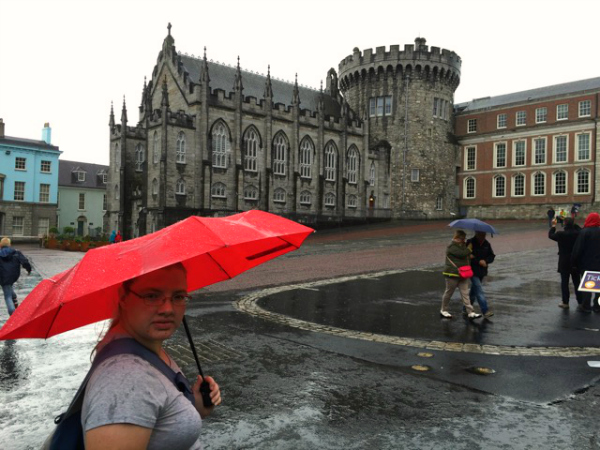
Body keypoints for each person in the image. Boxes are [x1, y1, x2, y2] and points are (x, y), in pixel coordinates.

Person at [81, 263, 222, 448]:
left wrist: (193, 405)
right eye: (151, 296)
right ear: (123, 298)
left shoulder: (142, 345)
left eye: (178, 296)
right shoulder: (125, 380)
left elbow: (155, 414)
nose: (168, 309)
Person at [440, 229, 482, 320]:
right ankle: (444, 310)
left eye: (464, 239)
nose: (464, 240)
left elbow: (466, 256)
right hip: (452, 274)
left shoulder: (463, 246)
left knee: (465, 294)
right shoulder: (451, 247)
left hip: (463, 274)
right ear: (457, 238)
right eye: (462, 239)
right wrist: (469, 248)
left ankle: (470, 312)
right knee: (449, 293)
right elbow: (462, 254)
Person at [549, 217, 582, 309]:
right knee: (577, 282)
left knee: (564, 282)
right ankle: (580, 301)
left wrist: (553, 226)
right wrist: (574, 224)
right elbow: (581, 230)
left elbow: (551, 235)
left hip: (564, 260)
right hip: (575, 261)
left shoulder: (560, 234)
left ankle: (565, 302)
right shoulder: (577, 233)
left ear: (564, 224)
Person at [572, 213, 600, 313]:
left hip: (587, 263)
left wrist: (574, 262)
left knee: (588, 286)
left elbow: (578, 249)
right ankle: (597, 306)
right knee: (599, 287)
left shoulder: (585, 232)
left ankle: (586, 306)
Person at [466, 231, 496, 318]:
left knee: (474, 291)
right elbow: (467, 255)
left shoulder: (486, 244)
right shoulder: (470, 242)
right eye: (481, 234)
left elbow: (492, 256)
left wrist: (486, 261)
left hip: (482, 271)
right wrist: (478, 261)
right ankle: (485, 310)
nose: (483, 236)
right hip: (472, 270)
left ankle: (465, 308)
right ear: (476, 234)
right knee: (479, 290)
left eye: (484, 234)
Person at [0, 237, 31, 316]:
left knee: (7, 296)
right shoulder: (16, 253)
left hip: (3, 277)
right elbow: (25, 261)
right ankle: (14, 300)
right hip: (13, 275)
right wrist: (28, 269)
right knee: (10, 291)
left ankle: (12, 314)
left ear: (0, 245)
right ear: (9, 245)